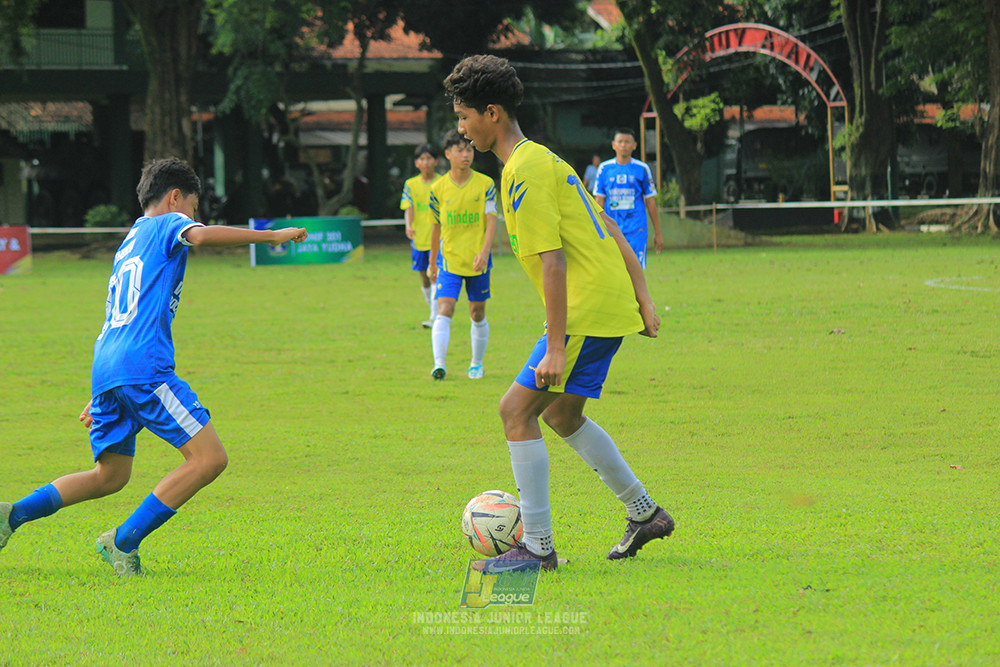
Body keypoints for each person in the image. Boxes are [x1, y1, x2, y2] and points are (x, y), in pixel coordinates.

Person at [0, 158, 307, 576]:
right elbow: (201, 237)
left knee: (109, 476)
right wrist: (271, 235)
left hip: (109, 365)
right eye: (193, 209)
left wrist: (104, 387)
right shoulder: (167, 224)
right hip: (143, 366)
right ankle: (123, 541)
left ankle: (12, 515)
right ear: (175, 198)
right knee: (209, 459)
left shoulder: (129, 241)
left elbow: (118, 312)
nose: (193, 219)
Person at [443, 55, 673, 570]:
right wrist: (642, 298)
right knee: (561, 414)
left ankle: (538, 548)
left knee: (515, 411)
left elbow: (554, 261)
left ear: (492, 113)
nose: (461, 129)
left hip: (587, 311)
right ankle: (645, 513)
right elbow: (606, 224)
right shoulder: (542, 158)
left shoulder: (524, 172)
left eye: (464, 116)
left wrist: (554, 345)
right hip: (603, 305)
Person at [427, 129, 497, 381]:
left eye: (469, 150)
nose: (466, 155)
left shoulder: (486, 184)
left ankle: (476, 363)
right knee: (445, 308)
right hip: (449, 260)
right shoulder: (437, 189)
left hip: (478, 260)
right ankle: (439, 364)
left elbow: (491, 220)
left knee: (477, 313)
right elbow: (436, 227)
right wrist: (432, 262)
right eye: (460, 150)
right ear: (448, 154)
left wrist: (484, 252)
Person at [592, 128, 664, 268]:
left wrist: (658, 233)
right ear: (614, 145)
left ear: (634, 145)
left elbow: (651, 202)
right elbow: (599, 202)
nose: (623, 145)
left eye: (627, 142)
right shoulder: (604, 169)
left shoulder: (642, 168)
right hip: (612, 230)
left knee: (636, 271)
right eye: (620, 142)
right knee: (615, 270)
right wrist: (596, 230)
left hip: (636, 230)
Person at [400, 143, 441, 328]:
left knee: (434, 275)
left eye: (429, 158)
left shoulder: (442, 182)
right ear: (416, 163)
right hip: (419, 238)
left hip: (438, 239)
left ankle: (434, 316)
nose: (426, 162)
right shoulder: (411, 184)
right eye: (422, 159)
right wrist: (408, 226)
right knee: (424, 277)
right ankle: (434, 309)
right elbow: (408, 206)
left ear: (436, 161)